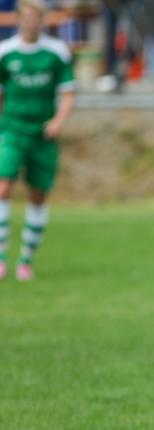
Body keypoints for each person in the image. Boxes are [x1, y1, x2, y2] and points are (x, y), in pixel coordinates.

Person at [0, 0, 75, 281]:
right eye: (28, 16)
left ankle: (26, 260)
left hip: (43, 134)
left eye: (37, 17)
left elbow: (69, 92)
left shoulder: (56, 52)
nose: (32, 21)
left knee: (38, 195)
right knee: (3, 185)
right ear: (18, 19)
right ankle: (1, 258)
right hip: (12, 130)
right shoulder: (5, 52)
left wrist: (57, 122)